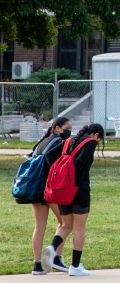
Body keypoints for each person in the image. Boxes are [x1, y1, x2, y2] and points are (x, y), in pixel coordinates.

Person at [48, 122, 102, 277]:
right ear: (96, 135)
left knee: (66, 225)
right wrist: (77, 181)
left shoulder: (68, 141)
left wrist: (59, 173)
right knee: (79, 228)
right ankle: (75, 266)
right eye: (99, 139)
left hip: (63, 190)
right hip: (79, 191)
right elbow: (80, 165)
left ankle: (52, 248)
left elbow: (49, 155)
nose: (98, 142)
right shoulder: (90, 143)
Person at [29, 117, 70, 275]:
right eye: (67, 128)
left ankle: (37, 264)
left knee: (39, 226)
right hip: (49, 189)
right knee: (65, 222)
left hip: (35, 189)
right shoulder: (58, 143)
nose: (69, 131)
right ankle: (57, 258)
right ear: (57, 128)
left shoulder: (41, 142)